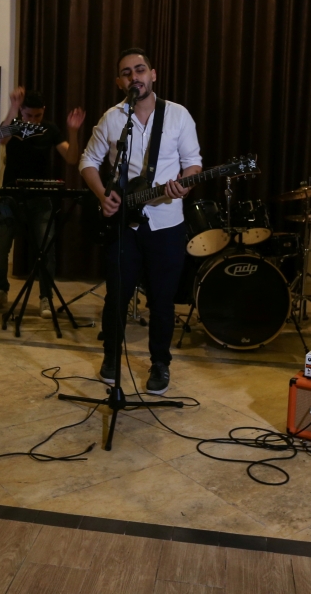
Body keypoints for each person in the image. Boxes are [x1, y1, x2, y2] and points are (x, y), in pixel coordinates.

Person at [79, 48, 201, 395]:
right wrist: (102, 195)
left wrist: (185, 184)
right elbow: (88, 160)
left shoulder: (177, 115)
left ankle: (160, 362)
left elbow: (193, 162)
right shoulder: (112, 118)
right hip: (124, 225)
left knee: (162, 300)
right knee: (117, 296)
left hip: (167, 224)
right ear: (120, 82)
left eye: (140, 69)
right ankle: (110, 356)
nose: (135, 77)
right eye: (127, 72)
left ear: (153, 74)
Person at [0, 87, 86, 318]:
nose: (33, 120)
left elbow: (72, 158)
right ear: (22, 111)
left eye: (37, 115)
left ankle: (45, 297)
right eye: (28, 115)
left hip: (41, 198)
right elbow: (1, 139)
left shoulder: (50, 129)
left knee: (46, 249)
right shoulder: (13, 124)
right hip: (11, 196)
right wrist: (13, 108)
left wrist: (73, 132)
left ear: (44, 111)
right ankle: (1, 290)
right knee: (0, 248)